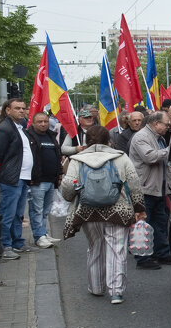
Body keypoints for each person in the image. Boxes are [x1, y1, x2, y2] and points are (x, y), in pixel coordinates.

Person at [60, 124, 146, 305]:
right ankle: (116, 291)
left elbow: (68, 186)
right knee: (117, 249)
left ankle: (97, 287)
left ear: (86, 141)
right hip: (118, 210)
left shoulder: (77, 159)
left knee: (95, 247)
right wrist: (139, 208)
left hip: (87, 211)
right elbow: (135, 183)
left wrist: (70, 198)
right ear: (109, 140)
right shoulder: (121, 158)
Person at [0, 98, 33, 259]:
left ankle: (17, 242)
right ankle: (5, 245)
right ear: (8, 110)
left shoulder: (20, 127)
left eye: (23, 108)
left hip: (23, 177)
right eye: (17, 108)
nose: (21, 111)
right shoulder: (4, 129)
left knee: (18, 213)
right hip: (11, 178)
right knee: (8, 213)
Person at [129, 111, 171, 270]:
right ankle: (142, 258)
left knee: (159, 222)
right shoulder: (141, 137)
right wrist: (170, 150)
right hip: (144, 188)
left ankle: (161, 253)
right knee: (142, 223)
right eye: (166, 124)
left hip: (157, 188)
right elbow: (150, 157)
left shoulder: (158, 138)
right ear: (156, 123)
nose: (168, 127)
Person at [25, 111, 63, 249]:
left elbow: (57, 155)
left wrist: (58, 174)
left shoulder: (51, 136)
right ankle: (38, 236)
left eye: (45, 121)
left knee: (45, 210)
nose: (43, 124)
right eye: (39, 122)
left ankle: (43, 233)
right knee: (37, 210)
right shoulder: (29, 136)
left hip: (51, 180)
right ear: (33, 123)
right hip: (37, 181)